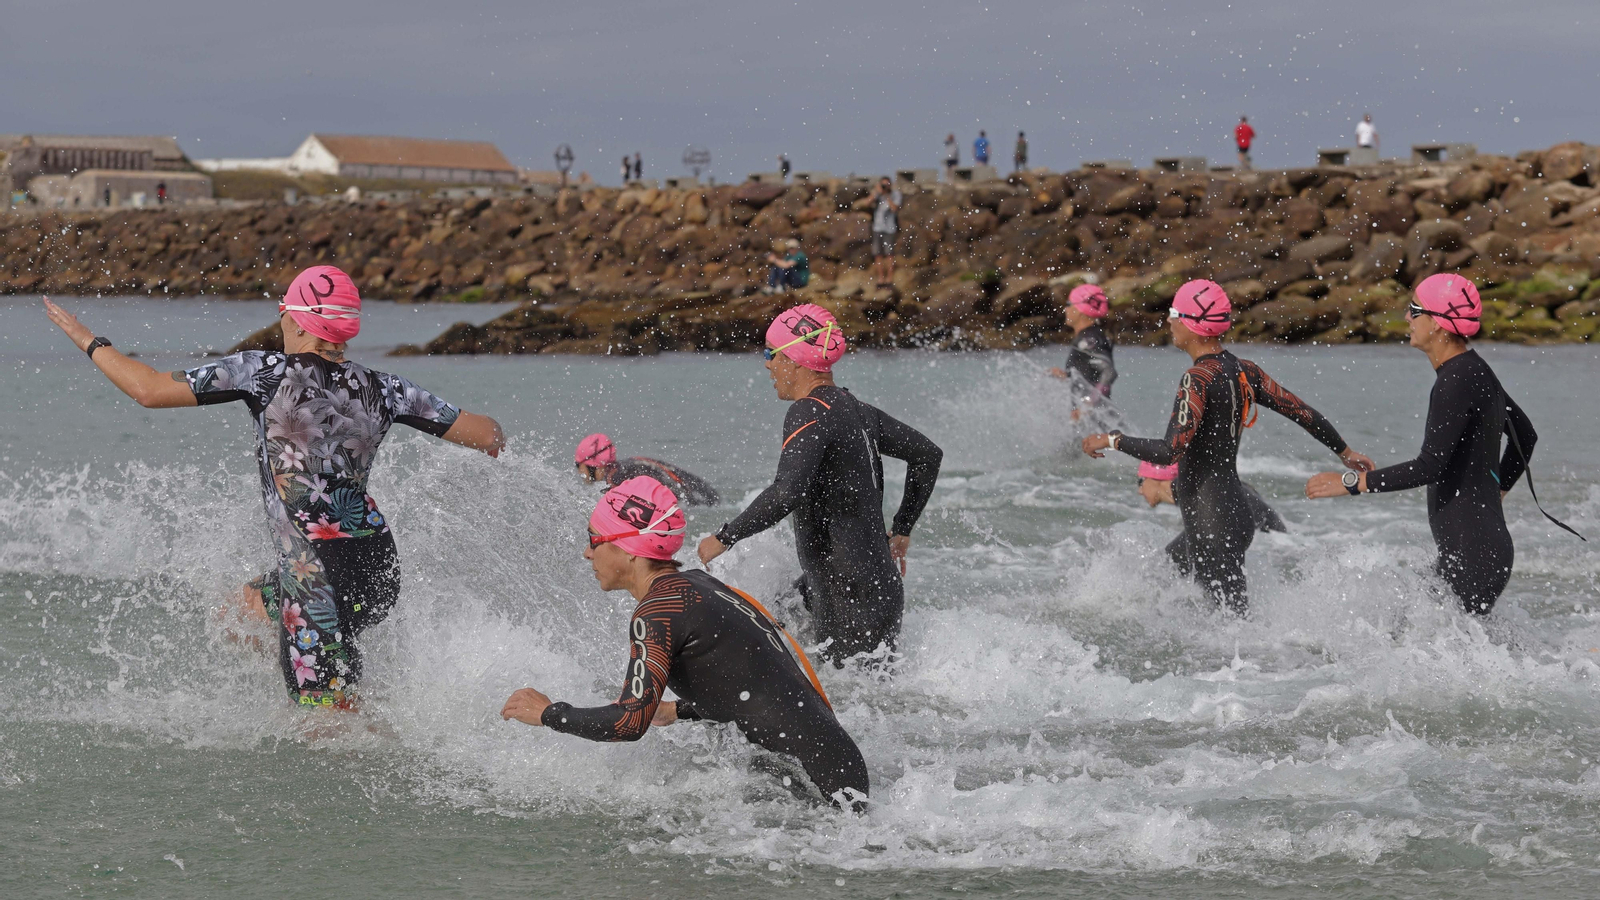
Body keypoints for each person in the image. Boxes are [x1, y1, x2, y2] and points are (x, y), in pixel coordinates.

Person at [42, 267, 506, 708]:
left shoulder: (262, 371)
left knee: (331, 732)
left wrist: (88, 340)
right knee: (239, 612)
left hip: (315, 575)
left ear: (294, 318)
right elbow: (487, 435)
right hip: (376, 567)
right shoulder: (386, 388)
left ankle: (335, 694)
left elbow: (148, 389)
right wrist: (495, 433)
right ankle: (322, 671)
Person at [501, 476, 869, 810]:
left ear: (629, 547)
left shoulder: (657, 612)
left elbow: (629, 723)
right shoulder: (699, 585)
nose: (587, 553)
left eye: (594, 540)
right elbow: (756, 685)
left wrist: (550, 714)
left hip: (819, 789)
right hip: (839, 768)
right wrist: (677, 711)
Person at [1081, 280, 1372, 614]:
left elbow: (1169, 451)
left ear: (1192, 322)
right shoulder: (1243, 370)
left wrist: (1112, 439)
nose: (1168, 321)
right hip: (1235, 511)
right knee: (1224, 622)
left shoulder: (1197, 378)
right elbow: (1302, 412)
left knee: (1229, 631)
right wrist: (1345, 452)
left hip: (1210, 517)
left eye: (1174, 313)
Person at [698, 305, 943, 663]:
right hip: (870, 587)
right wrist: (902, 528)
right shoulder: (856, 409)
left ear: (795, 360)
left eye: (771, 353)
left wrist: (723, 538)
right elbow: (927, 455)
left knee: (852, 708)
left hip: (851, 596)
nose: (767, 364)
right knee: (771, 625)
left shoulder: (809, 410)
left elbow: (787, 491)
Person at [1304, 274, 1559, 615]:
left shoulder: (1455, 380)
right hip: (1482, 549)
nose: (1407, 319)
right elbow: (1526, 437)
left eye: (1414, 310)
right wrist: (1495, 493)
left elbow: (1430, 466)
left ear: (1438, 323)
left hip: (1472, 554)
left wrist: (1350, 483)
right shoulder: (1474, 370)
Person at [1138, 461, 1287, 572]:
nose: (1139, 491)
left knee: (1166, 564)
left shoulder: (1191, 487)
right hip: (1279, 540)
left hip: (1260, 537)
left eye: (1140, 481)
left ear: (1157, 478)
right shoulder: (1211, 485)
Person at [574, 432, 721, 506]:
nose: (579, 472)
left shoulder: (616, 479)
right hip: (708, 494)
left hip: (695, 504)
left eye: (578, 465)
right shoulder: (631, 463)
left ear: (593, 464)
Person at [1048, 284, 1117, 408]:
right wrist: (1067, 376)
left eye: (1069, 304)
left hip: (1096, 421)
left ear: (1081, 309)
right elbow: (1091, 376)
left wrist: (1089, 402)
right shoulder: (1091, 337)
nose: (1065, 309)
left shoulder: (1088, 339)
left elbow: (1108, 372)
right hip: (1094, 420)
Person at [869, 177, 902, 288]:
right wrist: (877, 193)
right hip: (877, 228)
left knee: (889, 254)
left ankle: (889, 278)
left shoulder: (895, 194)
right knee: (877, 254)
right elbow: (867, 203)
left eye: (886, 185)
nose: (884, 187)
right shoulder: (878, 195)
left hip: (889, 228)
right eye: (882, 185)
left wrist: (887, 195)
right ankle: (880, 278)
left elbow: (894, 208)